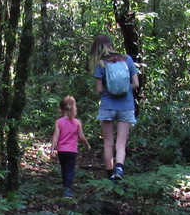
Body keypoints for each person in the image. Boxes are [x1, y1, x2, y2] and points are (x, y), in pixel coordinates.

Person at [90, 34, 139, 181]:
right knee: (121, 143)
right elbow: (136, 84)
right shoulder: (127, 59)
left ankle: (109, 173)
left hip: (107, 107)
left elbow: (99, 89)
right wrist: (124, 88)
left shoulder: (100, 63)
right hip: (126, 106)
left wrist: (110, 89)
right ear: (111, 44)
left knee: (108, 143)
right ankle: (119, 169)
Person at [49, 95, 91, 197]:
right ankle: (67, 190)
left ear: (61, 109)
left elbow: (56, 135)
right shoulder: (77, 123)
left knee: (64, 168)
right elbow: (81, 136)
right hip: (72, 151)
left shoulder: (59, 122)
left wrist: (52, 149)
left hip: (61, 150)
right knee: (70, 169)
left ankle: (65, 187)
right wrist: (87, 145)